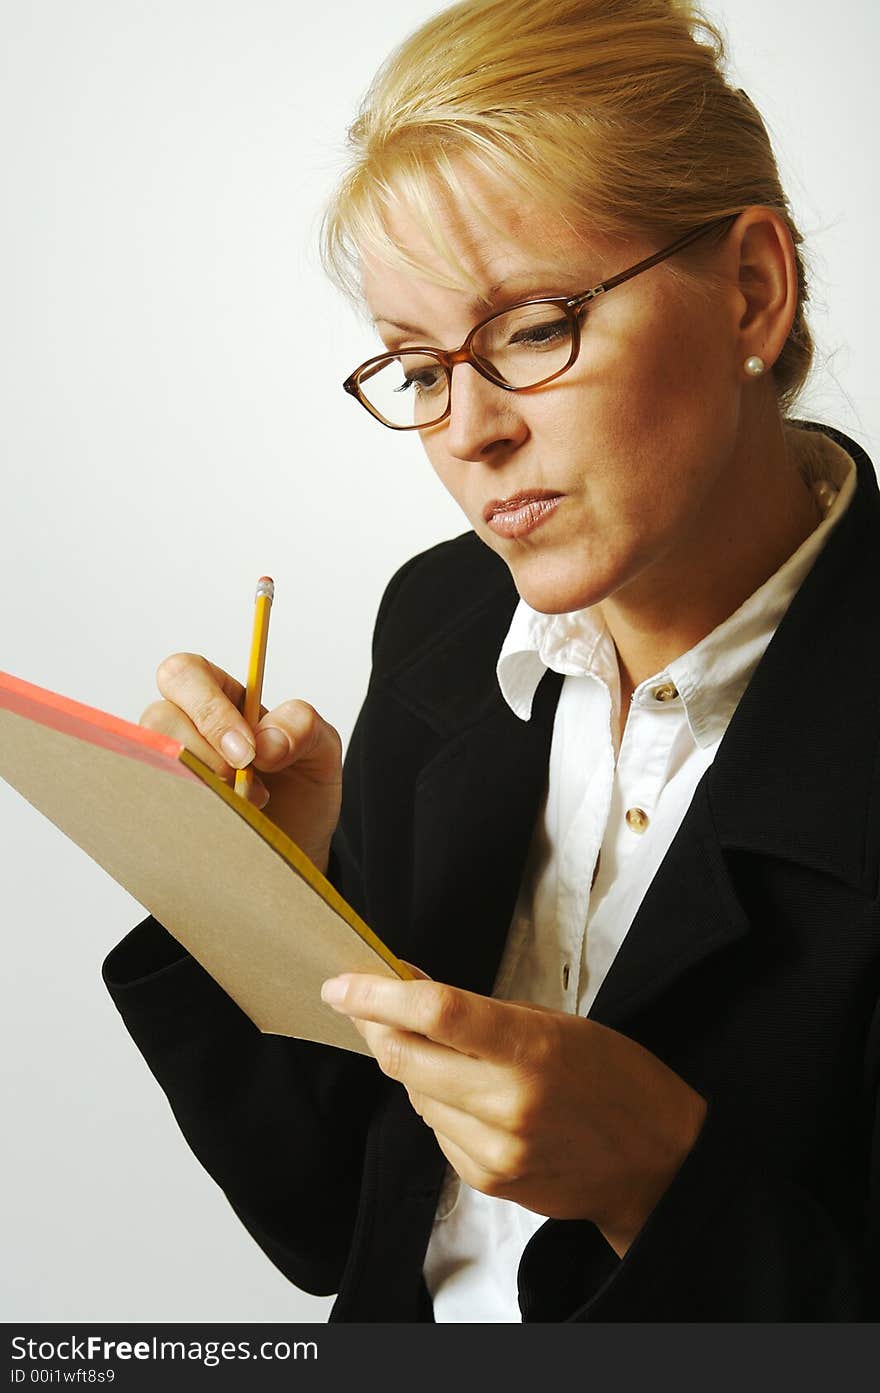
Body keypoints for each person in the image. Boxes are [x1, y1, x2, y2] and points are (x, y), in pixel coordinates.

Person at [102, 0, 880, 1320]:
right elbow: (332, 1221)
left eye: (531, 327)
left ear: (751, 287)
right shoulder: (443, 626)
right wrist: (262, 898)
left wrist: (656, 1179)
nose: (468, 431)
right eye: (416, 364)